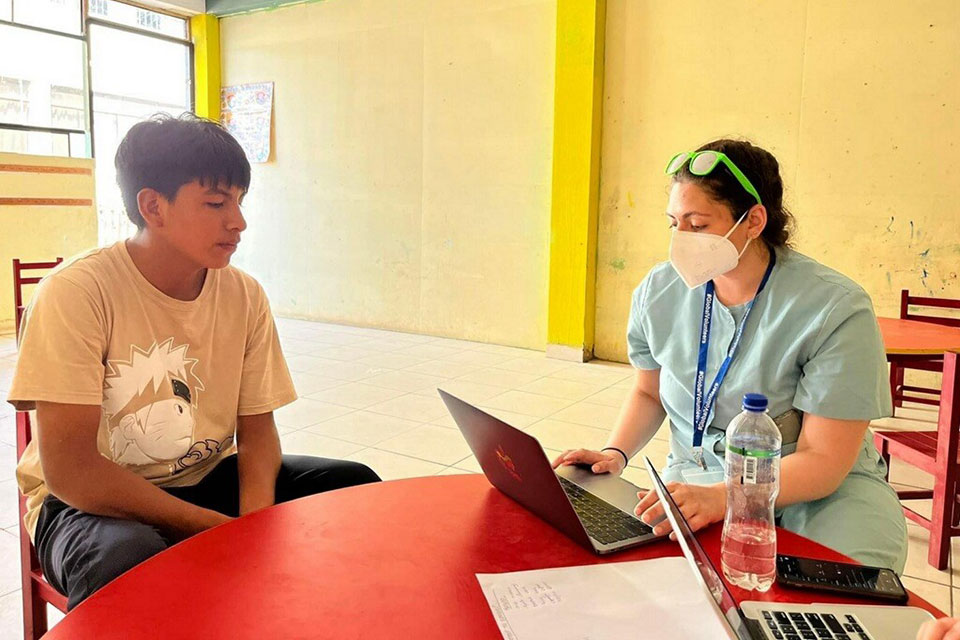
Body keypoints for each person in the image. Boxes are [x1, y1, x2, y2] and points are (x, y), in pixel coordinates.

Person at [8, 113, 380, 609]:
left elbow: (257, 432)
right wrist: (217, 530)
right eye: (215, 202)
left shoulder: (243, 295)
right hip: (86, 505)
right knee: (129, 562)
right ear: (152, 206)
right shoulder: (77, 293)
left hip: (202, 477)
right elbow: (72, 470)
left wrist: (253, 523)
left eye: (240, 202)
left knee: (352, 487)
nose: (238, 221)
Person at [553, 138, 907, 572]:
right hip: (698, 483)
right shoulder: (659, 292)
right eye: (674, 223)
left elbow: (825, 461)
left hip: (817, 495)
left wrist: (727, 497)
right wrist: (616, 452)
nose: (681, 240)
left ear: (753, 220)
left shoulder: (833, 308)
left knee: (830, 605)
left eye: (698, 225)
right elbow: (649, 393)